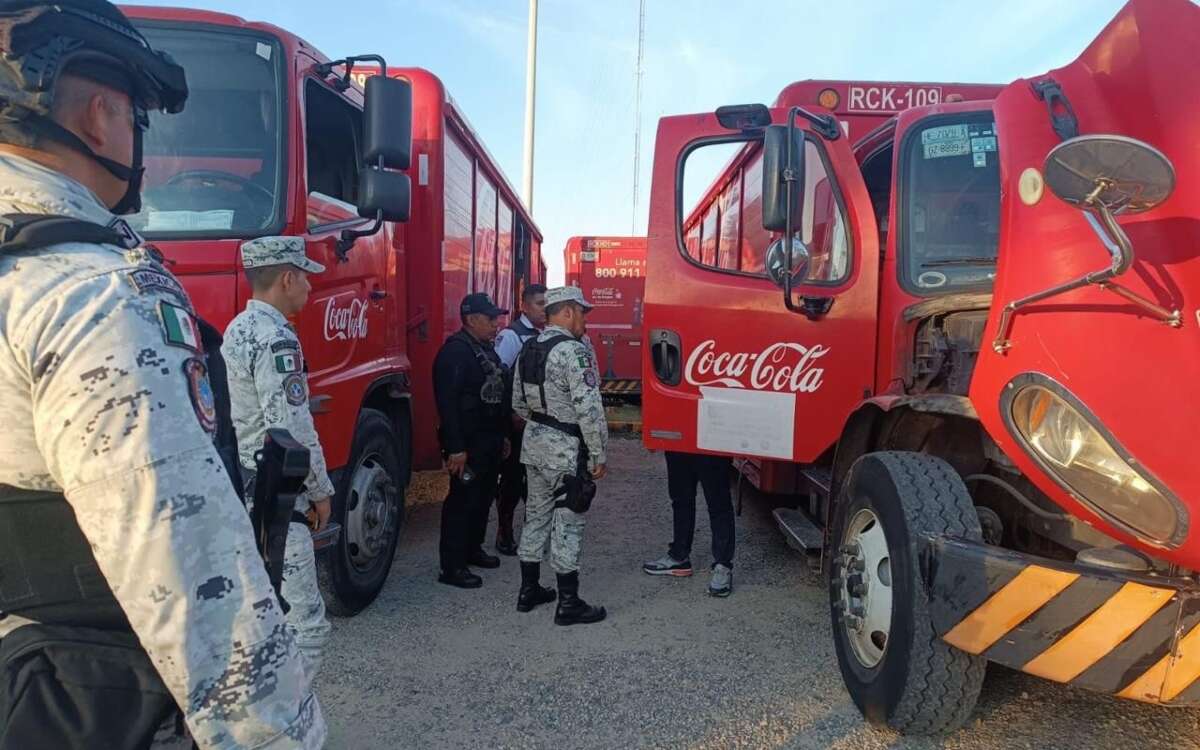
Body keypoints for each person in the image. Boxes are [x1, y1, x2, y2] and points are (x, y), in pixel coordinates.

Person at [0, 2, 323, 747]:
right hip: (92, 694)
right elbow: (189, 569)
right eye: (140, 116)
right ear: (102, 115)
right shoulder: (90, 292)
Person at [222, 235, 334, 683]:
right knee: (306, 626)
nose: (309, 287)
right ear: (287, 278)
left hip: (246, 484)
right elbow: (290, 429)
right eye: (305, 277)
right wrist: (321, 490)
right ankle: (286, 724)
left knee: (263, 615)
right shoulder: (276, 340)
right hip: (278, 497)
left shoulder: (238, 328)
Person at [512, 286, 609, 625]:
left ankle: (529, 590)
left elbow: (518, 403)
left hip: (534, 445)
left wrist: (542, 421)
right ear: (567, 312)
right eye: (582, 312)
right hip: (566, 449)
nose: (584, 320)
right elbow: (589, 408)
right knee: (568, 520)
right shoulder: (573, 351)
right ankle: (568, 602)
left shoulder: (529, 348)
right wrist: (598, 453)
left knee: (535, 515)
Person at [432, 292, 511, 588]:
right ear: (471, 319)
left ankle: (473, 549)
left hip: (489, 439)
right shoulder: (455, 352)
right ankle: (452, 567)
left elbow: (497, 395)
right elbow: (447, 405)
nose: (496, 324)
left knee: (483, 497)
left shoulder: (484, 349)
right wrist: (455, 449)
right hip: (467, 442)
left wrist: (503, 436)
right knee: (462, 502)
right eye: (491, 319)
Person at [492, 282, 547, 554]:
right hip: (517, 424)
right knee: (512, 480)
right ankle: (505, 532)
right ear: (524, 305)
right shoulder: (511, 336)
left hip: (539, 423)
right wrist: (510, 415)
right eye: (539, 304)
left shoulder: (548, 334)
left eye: (547, 304)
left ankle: (533, 534)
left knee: (537, 481)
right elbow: (499, 380)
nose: (544, 309)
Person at [643, 452, 736, 596]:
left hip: (711, 440)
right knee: (681, 498)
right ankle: (679, 556)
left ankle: (723, 565)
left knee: (719, 502)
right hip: (680, 441)